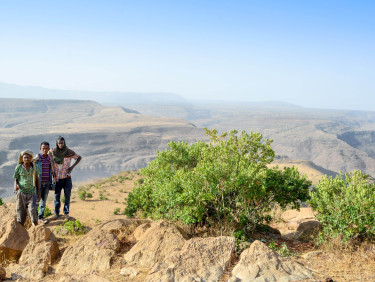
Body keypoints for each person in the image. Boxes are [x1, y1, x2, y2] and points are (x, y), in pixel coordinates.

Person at [50, 136, 81, 220]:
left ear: (64, 143)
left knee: (67, 195)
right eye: (59, 143)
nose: (60, 145)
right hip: (57, 178)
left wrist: (72, 167)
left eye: (62, 143)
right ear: (57, 143)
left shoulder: (69, 152)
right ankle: (56, 213)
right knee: (57, 196)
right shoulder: (52, 151)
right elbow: (46, 157)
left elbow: (79, 157)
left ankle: (66, 213)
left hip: (67, 177)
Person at [13, 150, 41, 226]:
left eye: (28, 157)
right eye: (25, 157)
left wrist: (39, 194)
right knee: (20, 214)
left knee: (33, 212)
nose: (26, 159)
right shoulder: (18, 167)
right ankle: (21, 233)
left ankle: (35, 230)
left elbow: (37, 181)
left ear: (31, 158)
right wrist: (16, 185)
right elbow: (16, 178)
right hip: (21, 193)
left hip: (33, 193)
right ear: (22, 158)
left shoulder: (35, 167)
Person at [35, 141, 55, 224]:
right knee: (36, 201)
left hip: (46, 183)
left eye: (47, 148)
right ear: (40, 149)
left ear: (49, 149)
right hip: (38, 184)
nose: (45, 150)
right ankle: (35, 218)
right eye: (43, 148)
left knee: (43, 202)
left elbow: (53, 170)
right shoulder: (37, 159)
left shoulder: (50, 159)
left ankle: (41, 217)